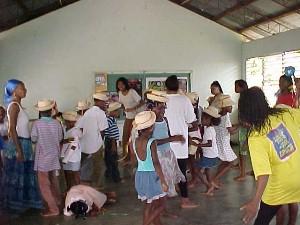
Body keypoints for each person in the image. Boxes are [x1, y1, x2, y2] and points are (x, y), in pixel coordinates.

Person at [239, 87, 300, 225]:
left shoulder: (256, 136)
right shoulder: (285, 113)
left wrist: (255, 202)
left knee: (261, 221)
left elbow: (263, 174)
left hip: (279, 187)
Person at [2, 79, 42, 212]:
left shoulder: (19, 106)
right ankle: (14, 204)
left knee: (24, 175)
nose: (25, 90)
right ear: (14, 91)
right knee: (17, 175)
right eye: (22, 88)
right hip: (18, 143)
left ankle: (24, 202)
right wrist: (19, 150)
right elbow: (12, 129)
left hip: (24, 143)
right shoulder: (13, 106)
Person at [164, 75, 198, 208]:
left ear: (166, 87)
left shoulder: (162, 100)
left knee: (163, 170)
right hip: (180, 142)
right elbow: (192, 122)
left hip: (164, 141)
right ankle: (184, 200)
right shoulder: (184, 100)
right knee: (181, 171)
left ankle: (162, 202)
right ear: (178, 86)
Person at [131, 111, 168, 225]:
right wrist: (163, 180)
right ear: (151, 127)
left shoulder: (135, 141)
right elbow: (156, 163)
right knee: (161, 206)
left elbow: (134, 161)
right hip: (152, 176)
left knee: (149, 204)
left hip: (140, 175)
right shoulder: (151, 142)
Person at [147, 91, 186, 197]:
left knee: (168, 180)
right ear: (151, 109)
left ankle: (164, 208)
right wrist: (172, 138)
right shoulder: (150, 124)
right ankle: (161, 207)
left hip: (167, 153)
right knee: (161, 182)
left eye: (164, 108)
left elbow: (167, 136)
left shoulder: (165, 120)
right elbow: (151, 143)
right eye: (160, 108)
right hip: (158, 156)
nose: (163, 111)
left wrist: (175, 138)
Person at [31, 99, 63, 217]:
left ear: (39, 112)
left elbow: (34, 139)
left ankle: (53, 209)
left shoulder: (37, 124)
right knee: (54, 181)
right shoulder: (57, 123)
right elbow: (60, 138)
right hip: (54, 156)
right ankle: (58, 202)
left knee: (44, 185)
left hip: (43, 158)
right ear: (51, 111)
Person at [207, 95, 238, 195]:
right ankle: (214, 179)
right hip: (224, 142)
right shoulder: (226, 116)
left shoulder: (218, 115)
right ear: (224, 107)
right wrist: (240, 125)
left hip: (219, 141)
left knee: (224, 162)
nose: (231, 107)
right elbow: (231, 131)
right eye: (229, 106)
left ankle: (214, 180)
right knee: (230, 163)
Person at [76, 93, 108, 185]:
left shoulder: (87, 112)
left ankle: (85, 187)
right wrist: (100, 143)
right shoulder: (101, 113)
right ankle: (96, 189)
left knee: (85, 168)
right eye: (104, 102)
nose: (105, 104)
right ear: (99, 102)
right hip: (96, 146)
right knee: (97, 169)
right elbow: (102, 131)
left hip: (84, 146)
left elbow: (80, 128)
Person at [117, 77, 144, 161]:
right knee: (125, 137)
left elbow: (142, 102)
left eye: (122, 84)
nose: (120, 86)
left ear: (125, 84)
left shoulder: (132, 92)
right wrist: (116, 106)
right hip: (128, 117)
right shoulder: (120, 93)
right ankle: (126, 157)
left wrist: (132, 108)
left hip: (137, 118)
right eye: (118, 84)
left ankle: (136, 158)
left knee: (135, 137)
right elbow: (122, 104)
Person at [195, 106, 220, 195]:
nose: (202, 121)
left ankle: (208, 185)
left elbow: (209, 143)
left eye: (203, 119)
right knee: (207, 170)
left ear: (209, 119)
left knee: (196, 170)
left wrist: (198, 145)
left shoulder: (209, 130)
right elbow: (207, 141)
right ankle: (211, 185)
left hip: (209, 155)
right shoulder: (209, 128)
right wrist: (198, 140)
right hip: (212, 154)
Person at [61, 111, 82, 190]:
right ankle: (70, 192)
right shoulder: (65, 129)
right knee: (68, 176)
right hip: (65, 156)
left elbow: (73, 147)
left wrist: (66, 159)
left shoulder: (75, 131)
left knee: (75, 175)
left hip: (73, 157)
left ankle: (78, 193)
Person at [186, 92, 202, 188]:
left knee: (192, 160)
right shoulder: (194, 109)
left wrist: (184, 129)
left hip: (193, 138)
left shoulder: (191, 111)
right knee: (191, 160)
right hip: (193, 137)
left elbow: (195, 127)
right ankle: (194, 178)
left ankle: (194, 179)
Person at [234, 79, 249, 182]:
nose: (235, 88)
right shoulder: (244, 98)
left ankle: (243, 173)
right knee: (244, 150)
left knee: (242, 151)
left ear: (241, 87)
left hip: (246, 127)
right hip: (245, 126)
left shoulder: (244, 99)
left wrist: (239, 124)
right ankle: (244, 169)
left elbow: (245, 115)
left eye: (236, 86)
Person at [104, 102, 122, 183]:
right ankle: (116, 178)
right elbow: (109, 133)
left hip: (110, 141)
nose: (119, 113)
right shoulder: (109, 120)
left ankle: (108, 173)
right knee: (114, 160)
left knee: (109, 158)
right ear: (113, 111)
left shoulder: (112, 119)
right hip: (111, 141)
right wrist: (113, 145)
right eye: (118, 111)